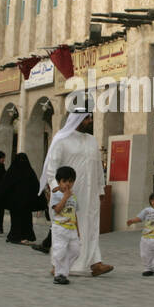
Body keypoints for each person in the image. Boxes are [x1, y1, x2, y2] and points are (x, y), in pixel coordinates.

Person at [39, 109, 113, 276]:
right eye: (87, 118)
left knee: (92, 226)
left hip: (91, 193)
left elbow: (97, 167)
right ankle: (58, 265)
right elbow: (52, 168)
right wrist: (55, 188)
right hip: (69, 194)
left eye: (90, 117)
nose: (90, 121)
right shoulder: (62, 140)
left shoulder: (92, 140)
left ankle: (96, 263)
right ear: (77, 119)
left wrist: (101, 189)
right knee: (66, 229)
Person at [0, 152, 42, 244]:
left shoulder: (12, 171)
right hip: (24, 202)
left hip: (17, 202)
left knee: (17, 220)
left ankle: (15, 236)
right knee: (23, 219)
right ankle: (19, 236)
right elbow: (36, 186)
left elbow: (4, 185)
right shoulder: (29, 171)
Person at [49, 166, 80, 285]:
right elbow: (57, 209)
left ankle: (63, 271)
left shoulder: (74, 196)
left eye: (71, 181)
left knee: (75, 251)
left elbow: (74, 213)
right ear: (59, 182)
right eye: (64, 181)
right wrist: (65, 197)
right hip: (60, 228)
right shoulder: (56, 194)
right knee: (60, 251)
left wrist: (78, 230)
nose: (68, 184)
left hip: (71, 228)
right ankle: (59, 274)